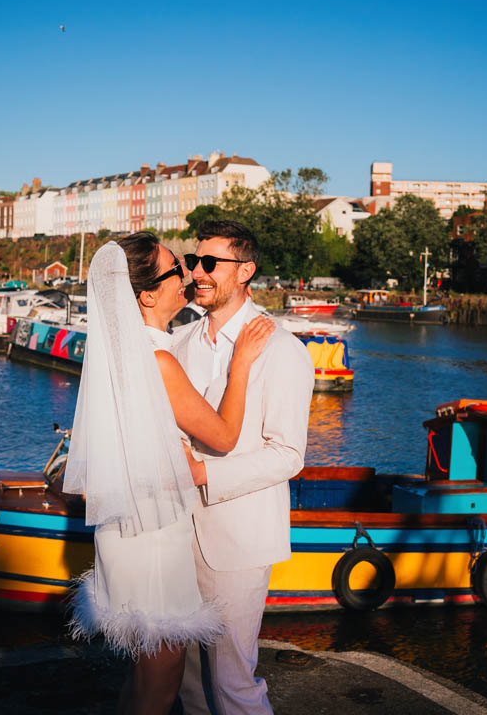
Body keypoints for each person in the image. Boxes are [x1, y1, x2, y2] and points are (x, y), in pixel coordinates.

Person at [63, 233, 275, 715]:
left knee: (143, 673)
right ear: (147, 294)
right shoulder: (156, 361)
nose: (187, 276)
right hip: (154, 534)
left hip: (124, 528)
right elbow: (221, 437)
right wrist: (241, 362)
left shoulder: (119, 358)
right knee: (162, 678)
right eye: (175, 269)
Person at [174, 220, 315, 715]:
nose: (198, 272)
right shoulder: (180, 340)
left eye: (211, 263)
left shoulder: (282, 350)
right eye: (194, 262)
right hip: (174, 534)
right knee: (187, 680)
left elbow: (288, 455)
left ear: (246, 270)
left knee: (233, 681)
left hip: (238, 539)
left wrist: (206, 474)